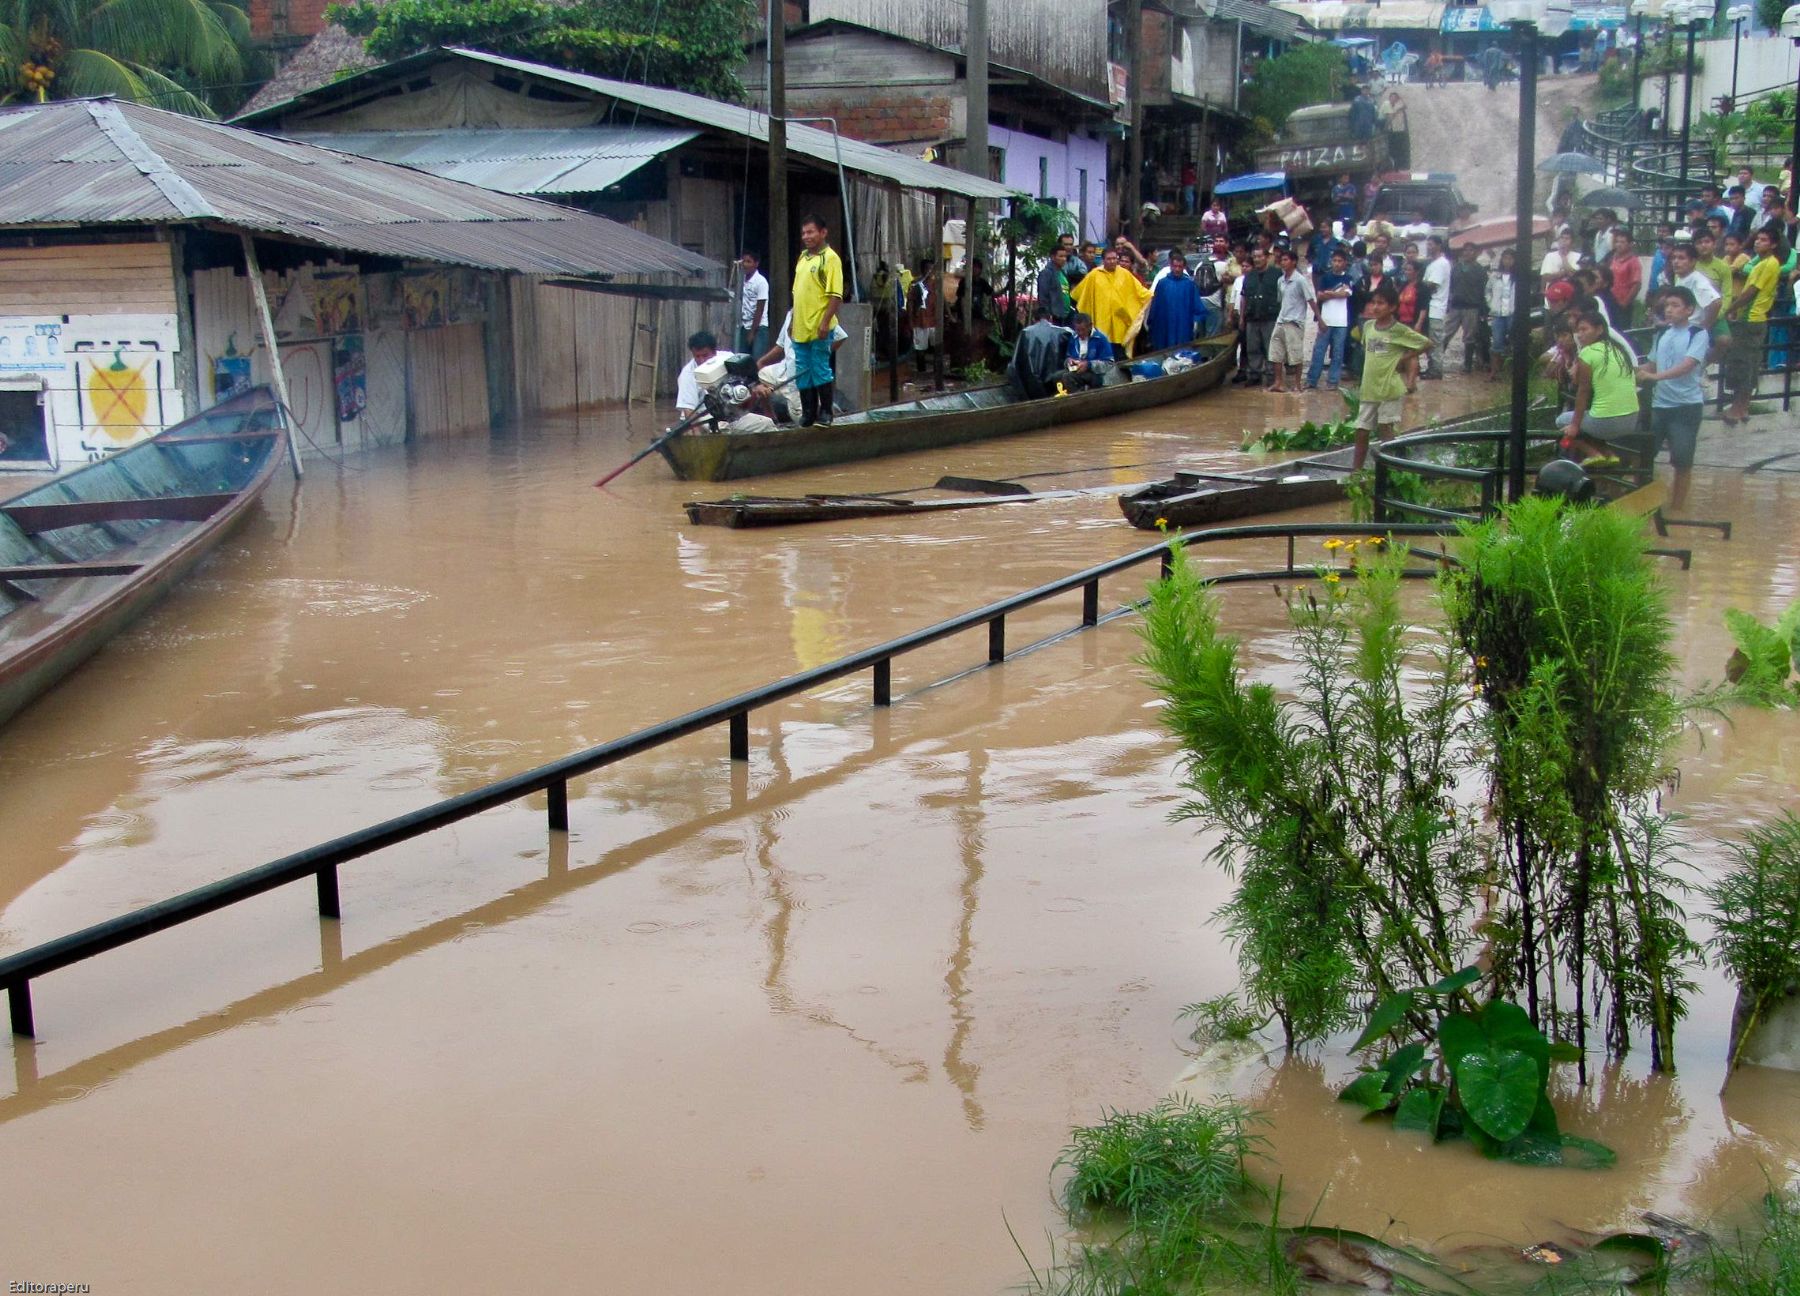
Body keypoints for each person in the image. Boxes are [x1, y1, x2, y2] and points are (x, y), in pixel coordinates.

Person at [1635, 286, 1711, 509]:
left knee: (1682, 460)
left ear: (1689, 310)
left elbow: (1687, 365)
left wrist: (1655, 377)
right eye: (1667, 305)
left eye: (1675, 305)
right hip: (1659, 405)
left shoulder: (1698, 334)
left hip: (1686, 407)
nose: (1669, 310)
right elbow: (1651, 365)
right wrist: (1629, 370)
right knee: (1643, 456)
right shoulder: (1661, 334)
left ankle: (1677, 509)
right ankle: (1642, 504)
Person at [1349, 281, 1431, 469]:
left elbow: (1426, 343)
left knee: (1385, 429)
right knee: (1361, 430)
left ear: (1393, 307)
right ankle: (1356, 471)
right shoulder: (1368, 327)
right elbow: (1370, 350)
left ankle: (1391, 469)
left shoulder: (1399, 330)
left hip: (1389, 388)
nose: (1375, 307)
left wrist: (1404, 358)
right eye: (1373, 302)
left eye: (1381, 303)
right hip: (1369, 388)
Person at [1721, 226, 1786, 424]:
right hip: (1754, 319)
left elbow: (1751, 292)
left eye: (1764, 240)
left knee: (1742, 364)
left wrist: (1730, 308)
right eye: (1757, 239)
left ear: (1773, 244)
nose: (1758, 242)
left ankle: (1737, 408)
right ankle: (1742, 408)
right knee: (1749, 364)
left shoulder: (1768, 264)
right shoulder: (1761, 262)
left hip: (1750, 319)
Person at [1557, 309, 1642, 454]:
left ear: (1599, 330)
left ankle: (1593, 454)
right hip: (1632, 419)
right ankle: (1608, 455)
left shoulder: (1588, 353)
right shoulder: (1617, 349)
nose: (1580, 334)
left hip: (1606, 422)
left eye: (1584, 329)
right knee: (1590, 416)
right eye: (1578, 331)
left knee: (1562, 420)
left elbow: (1583, 391)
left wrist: (1574, 426)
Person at [790, 214, 843, 426]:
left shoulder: (830, 258)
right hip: (800, 326)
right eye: (803, 233)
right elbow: (797, 293)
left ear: (823, 233)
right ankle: (808, 412)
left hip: (819, 325)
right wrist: (792, 321)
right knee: (803, 370)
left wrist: (825, 322)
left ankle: (826, 412)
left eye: (810, 232)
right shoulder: (803, 258)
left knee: (820, 368)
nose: (806, 236)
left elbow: (835, 295)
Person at [1071, 245, 1153, 357]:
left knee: (1119, 355)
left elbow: (1140, 293)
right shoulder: (1094, 275)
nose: (1112, 261)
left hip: (1119, 323)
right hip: (1101, 322)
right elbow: (1078, 295)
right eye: (1109, 259)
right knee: (1102, 353)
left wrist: (1152, 295)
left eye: (1114, 258)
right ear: (1103, 260)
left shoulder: (1125, 274)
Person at [1268, 248, 1316, 393]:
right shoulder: (1280, 281)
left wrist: (1319, 319)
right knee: (1276, 352)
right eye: (1282, 260)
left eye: (1286, 260)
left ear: (1294, 262)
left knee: (1296, 354)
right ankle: (1278, 382)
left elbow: (1310, 300)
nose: (1283, 262)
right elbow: (1281, 301)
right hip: (1281, 320)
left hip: (1295, 322)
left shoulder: (1300, 280)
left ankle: (1297, 384)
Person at [1306, 246, 1355, 390]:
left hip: (1341, 322)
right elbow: (1320, 296)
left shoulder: (1348, 278)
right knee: (1319, 351)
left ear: (1345, 263)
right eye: (1334, 260)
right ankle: (1312, 380)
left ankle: (1333, 382)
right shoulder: (1325, 278)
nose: (1337, 263)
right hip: (1326, 320)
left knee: (1338, 353)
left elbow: (1346, 294)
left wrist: (1330, 293)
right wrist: (1337, 293)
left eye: (1340, 261)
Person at [1235, 245, 1282, 386]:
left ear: (1267, 257)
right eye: (1254, 257)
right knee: (1252, 348)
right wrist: (1242, 318)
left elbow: (1283, 295)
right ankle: (1254, 375)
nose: (1257, 259)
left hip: (1270, 317)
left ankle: (1271, 376)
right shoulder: (1249, 276)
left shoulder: (1277, 274)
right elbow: (1243, 298)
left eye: (1260, 256)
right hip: (1251, 317)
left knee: (1270, 348)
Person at [1147, 250, 1208, 349]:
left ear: (1183, 267)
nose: (1177, 269)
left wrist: (1195, 322)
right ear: (1170, 266)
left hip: (1183, 325)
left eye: (1180, 267)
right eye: (1175, 266)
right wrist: (1151, 323)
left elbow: (1197, 306)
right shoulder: (1162, 284)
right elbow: (1155, 307)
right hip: (1165, 324)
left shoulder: (1189, 285)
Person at [1008, 306, 1071, 399]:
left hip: (1032, 387)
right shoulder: (1064, 332)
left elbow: (1015, 364)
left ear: (1033, 319)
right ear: (1050, 318)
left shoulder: (1026, 333)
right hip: (1058, 385)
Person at [1419, 236, 1452, 378]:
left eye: (1431, 244)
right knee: (1430, 340)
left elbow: (1432, 285)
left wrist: (1420, 284)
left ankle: (1436, 370)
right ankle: (1432, 367)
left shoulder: (1441, 263)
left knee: (1435, 341)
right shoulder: (1433, 263)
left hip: (1437, 307)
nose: (1429, 247)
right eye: (1427, 244)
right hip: (1431, 307)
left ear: (1439, 245)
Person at [675, 329, 721, 422]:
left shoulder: (726, 359)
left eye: (705, 355)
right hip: (703, 417)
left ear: (714, 353)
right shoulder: (687, 374)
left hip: (731, 414)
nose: (701, 361)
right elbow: (689, 411)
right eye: (697, 356)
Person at [1485, 248, 1517, 380]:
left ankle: (1514, 371)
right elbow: (1487, 291)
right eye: (1505, 258)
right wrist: (1491, 304)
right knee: (1497, 342)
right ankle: (1494, 372)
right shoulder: (1494, 276)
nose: (1507, 261)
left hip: (1512, 313)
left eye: (1510, 258)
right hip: (1498, 314)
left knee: (1515, 341)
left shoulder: (1518, 277)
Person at [1064, 312, 1115, 390]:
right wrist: (1069, 361)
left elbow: (1109, 363)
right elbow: (1068, 357)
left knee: (1068, 377)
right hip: (1077, 371)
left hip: (1097, 375)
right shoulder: (1074, 338)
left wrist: (1089, 365)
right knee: (1056, 377)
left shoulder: (1100, 339)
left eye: (1083, 330)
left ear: (1090, 326)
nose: (1080, 333)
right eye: (1077, 330)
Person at [1604, 228, 1642, 327]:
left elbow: (1637, 284)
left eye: (1622, 242)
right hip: (1610, 300)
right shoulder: (1613, 258)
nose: (1619, 245)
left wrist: (1625, 303)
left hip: (1622, 304)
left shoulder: (1633, 261)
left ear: (1630, 244)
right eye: (1617, 242)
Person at [736, 251, 769, 358]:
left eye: (749, 262)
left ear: (756, 263)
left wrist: (752, 332)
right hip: (744, 326)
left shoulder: (761, 282)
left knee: (757, 359)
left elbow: (760, 309)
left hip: (759, 327)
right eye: (744, 261)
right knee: (741, 359)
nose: (745, 264)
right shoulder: (741, 280)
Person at [908, 256, 937, 364]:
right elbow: (910, 303)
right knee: (920, 348)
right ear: (922, 270)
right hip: (919, 320)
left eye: (931, 269)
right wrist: (910, 320)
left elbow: (941, 300)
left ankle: (936, 368)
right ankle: (921, 368)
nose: (929, 271)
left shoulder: (936, 284)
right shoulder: (915, 284)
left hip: (934, 320)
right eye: (927, 268)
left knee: (937, 346)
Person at [1036, 246, 1075, 324]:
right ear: (1053, 257)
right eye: (1061, 256)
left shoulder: (1063, 273)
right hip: (1054, 316)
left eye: (1065, 256)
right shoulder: (1046, 273)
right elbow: (1043, 296)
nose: (1064, 259)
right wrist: (1046, 314)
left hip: (1065, 315)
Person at [1379, 90, 1410, 169]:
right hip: (1381, 127)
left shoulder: (1393, 106)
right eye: (1392, 97)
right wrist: (1398, 110)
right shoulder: (1387, 104)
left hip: (1387, 128)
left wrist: (1400, 101)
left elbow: (1405, 106)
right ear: (1389, 98)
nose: (1394, 99)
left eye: (1396, 98)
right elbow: (1389, 118)